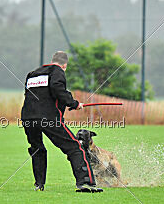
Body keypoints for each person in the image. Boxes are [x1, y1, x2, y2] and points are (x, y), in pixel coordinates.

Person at [21, 51, 103, 193]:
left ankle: (39, 185)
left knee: (37, 149)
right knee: (75, 147)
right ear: (65, 65)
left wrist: (66, 104)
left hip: (28, 117)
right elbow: (57, 89)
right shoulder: (57, 71)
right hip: (47, 118)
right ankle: (86, 183)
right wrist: (74, 103)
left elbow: (38, 95)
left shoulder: (33, 74)